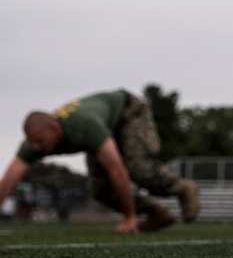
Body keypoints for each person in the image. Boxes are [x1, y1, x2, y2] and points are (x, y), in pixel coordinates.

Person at [0, 89, 200, 233]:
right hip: (104, 129)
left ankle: (182, 188)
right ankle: (156, 213)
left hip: (129, 113)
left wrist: (129, 217)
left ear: (55, 130)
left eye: (40, 142)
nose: (37, 148)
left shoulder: (84, 126)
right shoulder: (36, 141)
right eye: (32, 143)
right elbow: (9, 180)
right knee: (101, 190)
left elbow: (118, 171)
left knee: (137, 169)